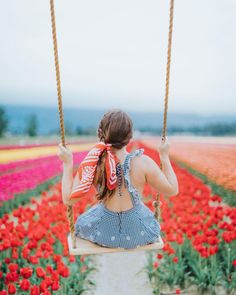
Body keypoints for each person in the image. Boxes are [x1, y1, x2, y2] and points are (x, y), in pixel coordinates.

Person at [57, 109, 178, 249]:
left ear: (100, 134)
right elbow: (172, 190)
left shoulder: (93, 164)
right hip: (139, 233)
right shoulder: (143, 163)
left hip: (103, 234)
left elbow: (68, 199)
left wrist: (67, 164)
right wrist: (164, 156)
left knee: (83, 222)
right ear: (130, 136)